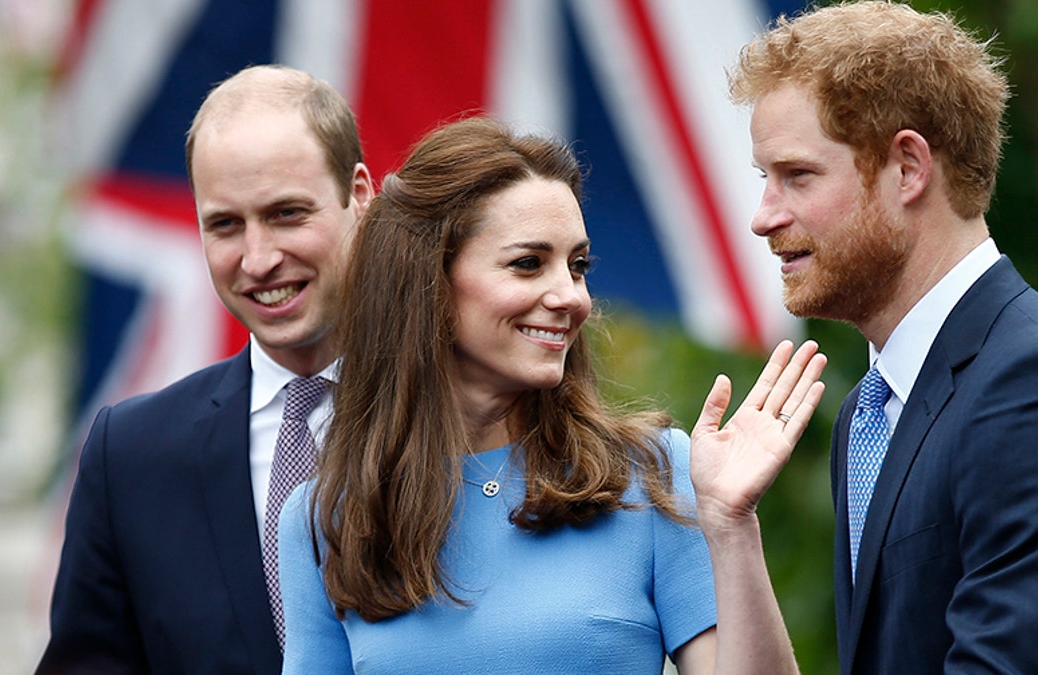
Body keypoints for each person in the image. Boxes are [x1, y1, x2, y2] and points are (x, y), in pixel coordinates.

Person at [276, 116, 826, 673]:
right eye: (527, 264)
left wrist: (732, 526)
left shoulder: (654, 472)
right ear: (429, 284)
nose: (570, 296)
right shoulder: (324, 520)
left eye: (578, 265)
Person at [729, 2, 1038, 673]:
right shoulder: (868, 413)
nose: (764, 217)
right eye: (766, 179)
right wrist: (729, 524)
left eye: (797, 175)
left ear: (908, 167)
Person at [38, 64, 374, 674]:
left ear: (359, 196)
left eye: (286, 214)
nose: (258, 258)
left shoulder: (474, 416)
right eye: (225, 224)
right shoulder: (131, 456)